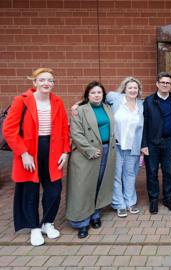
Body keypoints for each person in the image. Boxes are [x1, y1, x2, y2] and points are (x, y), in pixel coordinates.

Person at [2, 68, 70, 246]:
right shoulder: (21, 101)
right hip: (28, 151)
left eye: (50, 80)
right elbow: (9, 130)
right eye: (42, 80)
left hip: (53, 150)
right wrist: (23, 153)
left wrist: (65, 152)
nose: (46, 83)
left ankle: (48, 223)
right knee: (30, 191)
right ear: (34, 82)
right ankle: (34, 227)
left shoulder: (57, 101)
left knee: (54, 190)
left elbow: (64, 128)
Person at [66, 81, 116, 239]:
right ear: (87, 95)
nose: (96, 95)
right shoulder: (79, 110)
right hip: (86, 153)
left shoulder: (108, 107)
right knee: (83, 187)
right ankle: (81, 222)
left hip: (106, 151)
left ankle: (95, 214)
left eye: (99, 92)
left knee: (99, 183)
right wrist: (89, 150)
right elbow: (76, 133)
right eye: (93, 92)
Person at [141, 72, 171, 214]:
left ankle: (168, 198)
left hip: (169, 140)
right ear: (157, 83)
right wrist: (144, 144)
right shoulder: (149, 101)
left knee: (168, 171)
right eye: (163, 82)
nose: (165, 85)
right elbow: (144, 123)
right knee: (152, 172)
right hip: (152, 142)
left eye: (168, 83)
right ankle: (153, 200)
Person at [107, 77, 144, 217]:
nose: (133, 90)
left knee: (130, 175)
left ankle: (130, 202)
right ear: (124, 89)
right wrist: (78, 105)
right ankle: (119, 204)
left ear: (139, 90)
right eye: (130, 88)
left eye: (135, 88)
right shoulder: (115, 98)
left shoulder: (141, 104)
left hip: (133, 146)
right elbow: (93, 97)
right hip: (116, 145)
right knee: (116, 175)